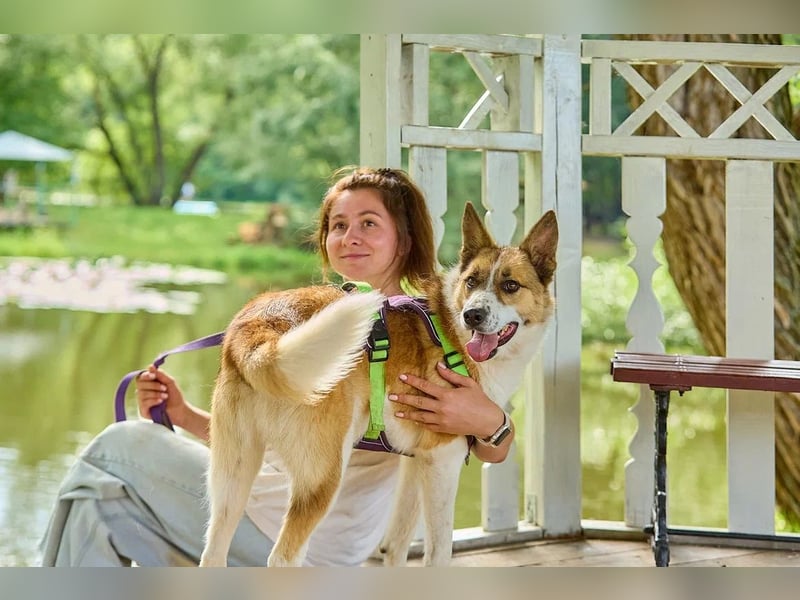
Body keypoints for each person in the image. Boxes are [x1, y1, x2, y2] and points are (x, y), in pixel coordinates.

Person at [39, 166, 516, 567]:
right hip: (257, 511)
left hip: (310, 536)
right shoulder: (312, 321)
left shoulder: (423, 335)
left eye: (369, 223)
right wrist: (182, 417)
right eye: (338, 224)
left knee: (116, 449)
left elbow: (474, 445)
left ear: (405, 238)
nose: (350, 236)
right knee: (98, 507)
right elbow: (270, 449)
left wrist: (491, 422)